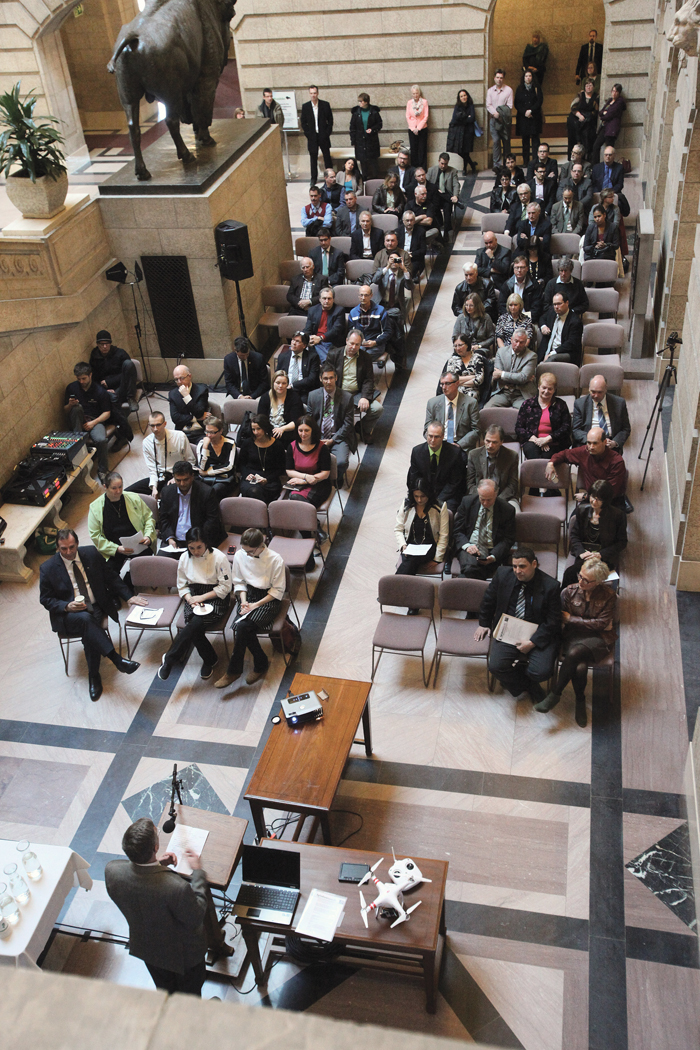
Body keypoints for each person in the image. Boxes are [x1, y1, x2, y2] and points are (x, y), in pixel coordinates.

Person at [105, 819, 227, 996]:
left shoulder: (112, 871)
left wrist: (158, 865)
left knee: (165, 990)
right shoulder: (176, 888)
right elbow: (197, 914)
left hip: (148, 949)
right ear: (156, 847)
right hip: (184, 956)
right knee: (189, 995)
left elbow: (140, 889)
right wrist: (198, 873)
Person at [39, 528, 142, 702]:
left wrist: (129, 596)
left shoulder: (91, 554)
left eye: (72, 547)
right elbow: (46, 599)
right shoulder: (47, 568)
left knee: (89, 631)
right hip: (68, 615)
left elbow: (111, 577)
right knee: (86, 620)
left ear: (77, 544)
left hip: (94, 606)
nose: (69, 552)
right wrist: (66, 606)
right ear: (57, 547)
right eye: (64, 549)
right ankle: (116, 660)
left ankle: (94, 675)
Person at [535, 557, 617, 726]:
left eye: (586, 580)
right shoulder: (569, 591)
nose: (580, 581)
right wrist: (588, 623)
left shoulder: (609, 596)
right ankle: (580, 701)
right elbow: (561, 618)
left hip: (598, 638)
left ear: (598, 582)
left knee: (575, 652)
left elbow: (602, 625)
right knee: (579, 668)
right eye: (580, 576)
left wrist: (572, 619)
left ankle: (555, 693)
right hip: (573, 636)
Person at [475, 546, 561, 703]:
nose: (517, 571)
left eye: (522, 566)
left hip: (537, 631)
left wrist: (533, 642)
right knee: (496, 666)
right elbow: (488, 600)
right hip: (509, 629)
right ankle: (529, 686)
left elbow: (553, 621)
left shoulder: (551, 586)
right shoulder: (502, 575)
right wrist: (484, 623)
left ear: (534, 564)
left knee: (541, 672)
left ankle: (524, 676)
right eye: (514, 566)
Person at [157, 526, 233, 681]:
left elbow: (225, 587)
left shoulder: (219, 558)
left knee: (194, 624)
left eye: (199, 547)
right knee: (195, 626)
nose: (196, 551)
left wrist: (202, 598)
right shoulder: (184, 558)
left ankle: (170, 658)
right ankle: (210, 659)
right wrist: (190, 599)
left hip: (215, 596)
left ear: (206, 543)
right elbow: (182, 585)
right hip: (194, 595)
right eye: (191, 548)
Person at [215, 528, 286, 688]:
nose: (246, 554)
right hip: (248, 594)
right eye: (244, 550)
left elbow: (277, 591)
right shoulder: (240, 554)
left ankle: (234, 670)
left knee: (243, 627)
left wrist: (255, 605)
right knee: (245, 628)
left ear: (261, 545)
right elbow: (239, 582)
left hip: (268, 598)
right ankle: (260, 663)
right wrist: (244, 601)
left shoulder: (275, 559)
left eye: (250, 551)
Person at [88, 471, 156, 576]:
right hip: (113, 548)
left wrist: (148, 536)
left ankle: (130, 578)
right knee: (109, 575)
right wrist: (116, 549)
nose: (118, 491)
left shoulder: (133, 498)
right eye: (114, 488)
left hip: (138, 544)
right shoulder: (95, 508)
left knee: (145, 572)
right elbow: (95, 535)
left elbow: (149, 519)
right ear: (105, 487)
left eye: (120, 487)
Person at [563, 478, 627, 588]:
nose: (594, 501)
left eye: (598, 499)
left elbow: (622, 542)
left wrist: (601, 554)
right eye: (592, 497)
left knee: (592, 580)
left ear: (606, 500)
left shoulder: (617, 515)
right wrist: (581, 552)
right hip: (585, 554)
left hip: (604, 556)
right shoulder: (582, 510)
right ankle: (567, 596)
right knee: (570, 574)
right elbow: (574, 535)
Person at [326, 329, 384, 445]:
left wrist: (364, 397)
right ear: (346, 341)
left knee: (377, 409)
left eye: (357, 344)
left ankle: (362, 428)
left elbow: (369, 379)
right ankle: (340, 433)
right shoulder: (334, 355)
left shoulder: (365, 357)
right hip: (338, 393)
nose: (353, 347)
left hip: (357, 394)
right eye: (351, 343)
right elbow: (327, 376)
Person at [64, 362, 120, 484]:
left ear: (90, 375)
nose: (81, 381)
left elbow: (107, 413)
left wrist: (93, 423)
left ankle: (103, 470)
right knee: (77, 408)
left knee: (101, 440)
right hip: (78, 420)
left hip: (95, 420)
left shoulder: (100, 391)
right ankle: (79, 444)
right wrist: (70, 405)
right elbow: (66, 410)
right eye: (79, 379)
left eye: (84, 378)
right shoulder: (71, 388)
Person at [545, 427, 628, 508]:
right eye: (589, 443)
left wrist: (586, 496)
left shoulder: (617, 461)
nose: (591, 447)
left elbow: (610, 492)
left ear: (605, 442)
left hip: (610, 502)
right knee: (576, 516)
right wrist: (551, 463)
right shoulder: (584, 452)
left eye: (595, 443)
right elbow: (564, 454)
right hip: (591, 499)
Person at [453, 479, 516, 579]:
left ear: (496, 494)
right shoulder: (467, 502)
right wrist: (467, 546)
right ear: (478, 493)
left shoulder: (507, 510)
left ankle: (461, 583)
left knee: (470, 571)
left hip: (491, 550)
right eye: (482, 499)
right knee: (470, 567)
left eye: (489, 500)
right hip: (469, 547)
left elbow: (508, 539)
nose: (485, 503)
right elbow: (457, 530)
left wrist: (494, 556)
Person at [126, 411, 196, 496]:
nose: (155, 429)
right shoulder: (146, 442)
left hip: (176, 475)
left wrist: (176, 477)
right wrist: (154, 487)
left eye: (158, 425)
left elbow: (191, 461)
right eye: (152, 426)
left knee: (166, 494)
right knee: (126, 493)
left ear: (165, 424)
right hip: (159, 476)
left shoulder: (179, 436)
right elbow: (152, 469)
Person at [307, 364, 356, 487]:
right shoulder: (312, 395)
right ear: (320, 379)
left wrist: (333, 440)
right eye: (325, 378)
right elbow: (309, 420)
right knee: (308, 461)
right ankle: (323, 478)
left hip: (339, 437)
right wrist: (315, 438)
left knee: (341, 462)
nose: (328, 382)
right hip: (318, 437)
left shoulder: (347, 397)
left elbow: (348, 424)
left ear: (336, 378)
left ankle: (336, 477)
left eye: (331, 378)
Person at [159, 461, 224, 550]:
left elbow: (212, 520)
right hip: (173, 540)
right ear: (173, 477)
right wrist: (169, 537)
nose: (182, 484)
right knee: (161, 559)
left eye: (185, 480)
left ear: (192, 476)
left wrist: (198, 540)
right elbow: (163, 518)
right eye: (178, 480)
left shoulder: (206, 492)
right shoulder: (167, 492)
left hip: (199, 540)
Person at [394, 479, 449, 577]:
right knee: (411, 560)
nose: (419, 500)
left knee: (411, 560)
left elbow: (444, 535)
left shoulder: (440, 506)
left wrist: (437, 559)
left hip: (430, 546)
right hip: (410, 546)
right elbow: (398, 529)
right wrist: (403, 545)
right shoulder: (406, 504)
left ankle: (397, 581)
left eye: (423, 496)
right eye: (416, 496)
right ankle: (400, 583)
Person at [407, 421, 465, 513]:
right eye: (430, 436)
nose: (433, 440)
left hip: (447, 495)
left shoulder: (454, 453)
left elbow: (454, 482)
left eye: (436, 437)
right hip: (424, 493)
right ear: (426, 435)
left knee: (446, 513)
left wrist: (437, 500)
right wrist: (424, 497)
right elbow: (414, 479)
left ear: (442, 436)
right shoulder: (417, 452)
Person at [515, 372, 571, 462]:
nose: (546, 391)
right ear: (538, 387)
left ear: (554, 390)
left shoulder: (561, 405)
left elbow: (566, 427)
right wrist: (536, 440)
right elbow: (519, 428)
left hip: (555, 442)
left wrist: (547, 439)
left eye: (550, 389)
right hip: (532, 441)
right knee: (533, 453)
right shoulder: (527, 404)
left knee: (548, 456)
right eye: (544, 388)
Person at [424, 372, 480, 453]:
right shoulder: (432, 403)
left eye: (447, 384)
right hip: (438, 443)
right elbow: (427, 429)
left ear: (457, 383)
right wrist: (436, 442)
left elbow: (476, 430)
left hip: (460, 445)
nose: (444, 387)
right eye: (442, 384)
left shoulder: (471, 403)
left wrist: (459, 445)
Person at [372, 252, 413, 363]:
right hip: (381, 305)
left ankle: (391, 349)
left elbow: (410, 286)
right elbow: (374, 280)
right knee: (392, 325)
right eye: (391, 259)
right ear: (388, 260)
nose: (394, 262)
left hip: (395, 306)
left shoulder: (402, 274)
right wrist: (387, 267)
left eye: (396, 259)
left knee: (391, 321)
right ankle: (393, 350)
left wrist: (404, 269)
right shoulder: (383, 271)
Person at [237, 414, 287, 503]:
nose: (256, 432)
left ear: (265, 428)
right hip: (251, 478)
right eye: (253, 429)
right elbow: (242, 464)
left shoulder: (277, 445)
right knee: (254, 491)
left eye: (258, 429)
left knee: (258, 492)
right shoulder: (247, 443)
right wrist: (247, 475)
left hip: (270, 480)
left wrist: (267, 479)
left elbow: (281, 468)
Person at [285, 414, 332, 508]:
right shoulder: (292, 446)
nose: (303, 434)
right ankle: (309, 516)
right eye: (300, 430)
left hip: (319, 483)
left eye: (306, 430)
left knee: (297, 502)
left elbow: (325, 473)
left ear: (312, 430)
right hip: (298, 482)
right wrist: (305, 477)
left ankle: (308, 516)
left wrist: (305, 481)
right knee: (295, 497)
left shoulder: (322, 448)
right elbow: (289, 471)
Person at [573, 375, 631, 450]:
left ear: (606, 389)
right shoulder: (580, 404)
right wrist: (592, 441)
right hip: (588, 444)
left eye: (599, 392)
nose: (596, 395)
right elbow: (576, 430)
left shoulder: (619, 403)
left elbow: (625, 429)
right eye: (593, 392)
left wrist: (615, 442)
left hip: (610, 444)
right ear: (589, 389)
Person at [467, 424, 519, 505]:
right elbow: (470, 484)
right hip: (480, 497)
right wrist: (484, 498)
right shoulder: (474, 455)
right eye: (488, 441)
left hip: (504, 497)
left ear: (501, 442)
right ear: (484, 440)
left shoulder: (512, 456)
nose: (490, 445)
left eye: (494, 442)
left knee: (514, 510)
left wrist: (496, 501)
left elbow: (512, 485)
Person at [487, 327, 537, 408]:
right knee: (486, 411)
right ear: (511, 340)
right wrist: (519, 377)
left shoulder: (532, 356)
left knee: (525, 413)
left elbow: (523, 378)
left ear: (525, 343)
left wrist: (502, 374)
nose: (518, 345)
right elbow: (496, 376)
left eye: (521, 342)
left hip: (521, 394)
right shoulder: (501, 352)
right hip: (503, 392)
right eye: (516, 341)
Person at [89, 330, 138, 414]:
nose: (104, 346)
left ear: (110, 343)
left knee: (128, 364)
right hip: (105, 389)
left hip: (122, 386)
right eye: (101, 344)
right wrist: (104, 390)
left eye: (107, 343)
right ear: (97, 344)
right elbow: (94, 377)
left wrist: (110, 382)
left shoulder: (120, 353)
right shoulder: (94, 356)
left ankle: (131, 398)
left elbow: (129, 374)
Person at [195, 415, 237, 501]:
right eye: (207, 432)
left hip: (224, 480)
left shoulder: (230, 443)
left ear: (221, 431)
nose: (209, 435)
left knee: (214, 491)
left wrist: (207, 473)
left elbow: (229, 466)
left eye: (212, 432)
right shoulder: (202, 444)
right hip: (206, 479)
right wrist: (205, 448)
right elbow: (202, 467)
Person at [258, 369, 305, 444]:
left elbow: (296, 421)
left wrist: (282, 429)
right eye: (278, 383)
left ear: (287, 384)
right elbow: (261, 419)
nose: (280, 386)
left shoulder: (294, 397)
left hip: (287, 432)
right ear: (273, 383)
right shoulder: (265, 397)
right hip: (268, 432)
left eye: (284, 383)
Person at [348, 285, 391, 365]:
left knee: (361, 358)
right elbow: (351, 332)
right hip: (359, 344)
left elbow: (387, 332)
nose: (363, 298)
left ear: (371, 296)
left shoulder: (381, 310)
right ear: (358, 296)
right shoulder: (353, 312)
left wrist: (375, 342)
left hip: (376, 344)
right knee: (357, 356)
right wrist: (360, 342)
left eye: (366, 295)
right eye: (361, 295)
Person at [538, 290, 584, 365]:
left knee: (551, 359)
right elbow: (542, 318)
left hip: (565, 352)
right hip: (548, 349)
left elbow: (571, 344)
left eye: (559, 304)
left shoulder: (575, 321)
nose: (556, 307)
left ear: (567, 303)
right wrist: (543, 326)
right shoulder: (552, 312)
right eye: (554, 304)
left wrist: (553, 353)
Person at [300, 85, 333, 186]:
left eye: (314, 93)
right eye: (311, 93)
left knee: (327, 157)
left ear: (317, 93)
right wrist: (308, 134)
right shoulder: (305, 106)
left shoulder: (325, 105)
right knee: (313, 158)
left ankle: (330, 177)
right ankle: (314, 177)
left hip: (323, 135)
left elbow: (330, 120)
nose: (313, 95)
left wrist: (327, 133)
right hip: (312, 136)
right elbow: (303, 122)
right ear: (309, 94)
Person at [304, 286, 346, 363]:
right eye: (324, 298)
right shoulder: (312, 310)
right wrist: (308, 338)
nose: (326, 301)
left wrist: (320, 338)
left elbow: (336, 330)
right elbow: (307, 328)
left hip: (330, 341)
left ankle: (325, 362)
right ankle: (326, 362)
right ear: (320, 299)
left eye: (329, 298)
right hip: (315, 341)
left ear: (333, 299)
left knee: (315, 351)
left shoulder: (339, 310)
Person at [440, 332, 487, 398]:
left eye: (460, 345)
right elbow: (449, 380)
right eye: (455, 346)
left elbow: (479, 380)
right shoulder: (452, 360)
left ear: (467, 345)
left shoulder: (477, 358)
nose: (457, 348)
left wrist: (458, 383)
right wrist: (472, 377)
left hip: (472, 392)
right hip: (455, 391)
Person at [277, 330, 321, 400]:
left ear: (304, 345)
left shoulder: (312, 357)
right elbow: (277, 375)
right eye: (293, 340)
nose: (294, 343)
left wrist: (293, 385)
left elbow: (312, 379)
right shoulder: (283, 356)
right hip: (285, 390)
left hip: (303, 391)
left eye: (297, 341)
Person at [223, 336, 269, 401]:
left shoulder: (259, 358)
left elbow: (264, 382)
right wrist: (239, 396)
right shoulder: (228, 360)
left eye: (247, 354)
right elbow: (229, 383)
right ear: (236, 351)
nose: (245, 357)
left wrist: (252, 396)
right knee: (227, 405)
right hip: (237, 393)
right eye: (242, 355)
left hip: (255, 393)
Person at [498, 255, 543, 321]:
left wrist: (523, 319)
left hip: (529, 319)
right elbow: (502, 306)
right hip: (510, 320)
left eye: (522, 267)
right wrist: (511, 319)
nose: (519, 270)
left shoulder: (534, 285)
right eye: (517, 267)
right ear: (513, 269)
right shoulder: (507, 285)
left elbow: (537, 308)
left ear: (527, 268)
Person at [350, 92, 383, 182]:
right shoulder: (356, 112)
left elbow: (379, 124)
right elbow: (352, 127)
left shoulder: (374, 112)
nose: (359, 103)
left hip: (371, 140)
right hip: (360, 140)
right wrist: (353, 140)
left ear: (366, 102)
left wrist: (372, 129)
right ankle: (364, 178)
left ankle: (375, 178)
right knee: (363, 161)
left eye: (361, 101)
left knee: (373, 161)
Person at [427, 153, 460, 240]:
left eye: (445, 164)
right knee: (434, 205)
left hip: (446, 196)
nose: (443, 166)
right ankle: (440, 225)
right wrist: (435, 189)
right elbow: (427, 184)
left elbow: (456, 185)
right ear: (438, 161)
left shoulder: (453, 171)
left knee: (448, 208)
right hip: (435, 196)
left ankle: (446, 231)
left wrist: (455, 196)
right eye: (442, 163)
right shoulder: (431, 170)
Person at [168, 365, 209, 434]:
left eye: (182, 378)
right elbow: (175, 418)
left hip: (199, 431)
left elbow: (199, 413)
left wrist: (187, 397)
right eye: (176, 379)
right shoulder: (173, 394)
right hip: (181, 431)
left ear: (189, 376)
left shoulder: (201, 390)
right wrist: (194, 418)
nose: (179, 382)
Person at [514, 70, 543, 167]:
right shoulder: (519, 88)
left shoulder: (536, 88)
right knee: (525, 141)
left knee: (535, 141)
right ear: (523, 78)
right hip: (523, 118)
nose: (528, 78)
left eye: (530, 76)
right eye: (526, 76)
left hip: (534, 117)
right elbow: (517, 103)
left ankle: (535, 161)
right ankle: (525, 162)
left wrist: (531, 111)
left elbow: (539, 101)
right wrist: (525, 112)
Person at [486, 69, 513, 170]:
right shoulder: (490, 91)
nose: (499, 79)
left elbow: (509, 106)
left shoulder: (508, 90)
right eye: (497, 77)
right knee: (496, 141)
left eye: (501, 78)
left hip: (505, 120)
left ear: (503, 79)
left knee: (506, 142)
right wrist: (495, 113)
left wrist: (500, 113)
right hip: (494, 120)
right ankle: (496, 165)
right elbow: (488, 105)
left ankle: (507, 164)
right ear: (494, 78)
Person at [446, 89, 477, 175]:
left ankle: (465, 169)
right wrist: (467, 117)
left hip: (468, 132)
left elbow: (472, 118)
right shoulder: (457, 106)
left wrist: (463, 118)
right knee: (460, 151)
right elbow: (455, 119)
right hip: (459, 132)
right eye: (461, 96)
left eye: (465, 95)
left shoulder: (471, 106)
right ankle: (472, 164)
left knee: (466, 151)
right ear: (459, 98)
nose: (463, 97)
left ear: (467, 96)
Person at [591, 88, 626, 163]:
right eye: (613, 91)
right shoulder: (610, 100)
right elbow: (601, 112)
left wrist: (604, 115)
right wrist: (603, 114)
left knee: (609, 151)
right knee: (596, 146)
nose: (614, 93)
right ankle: (595, 166)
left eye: (616, 91)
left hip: (611, 129)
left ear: (619, 93)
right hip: (605, 127)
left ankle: (609, 166)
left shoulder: (619, 102)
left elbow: (609, 114)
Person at [567, 80, 598, 159]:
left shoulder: (596, 97)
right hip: (577, 120)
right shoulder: (580, 95)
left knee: (588, 139)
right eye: (587, 85)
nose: (588, 87)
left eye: (590, 85)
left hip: (589, 121)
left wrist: (588, 117)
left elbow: (596, 110)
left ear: (593, 87)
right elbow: (573, 107)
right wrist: (580, 116)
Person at [397, 211, 427, 278]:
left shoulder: (421, 232)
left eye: (411, 220)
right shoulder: (397, 231)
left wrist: (412, 255)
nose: (409, 223)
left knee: (408, 273)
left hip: (414, 259)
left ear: (414, 221)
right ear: (403, 221)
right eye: (407, 220)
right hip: (400, 258)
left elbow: (423, 250)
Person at [406, 84, 429, 169]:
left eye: (416, 93)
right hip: (412, 129)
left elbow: (425, 116)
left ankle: (423, 168)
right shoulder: (409, 103)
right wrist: (413, 128)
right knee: (414, 150)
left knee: (422, 149)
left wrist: (418, 128)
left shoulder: (424, 102)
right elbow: (408, 116)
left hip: (422, 129)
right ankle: (414, 169)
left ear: (419, 93)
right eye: (413, 93)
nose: (415, 95)